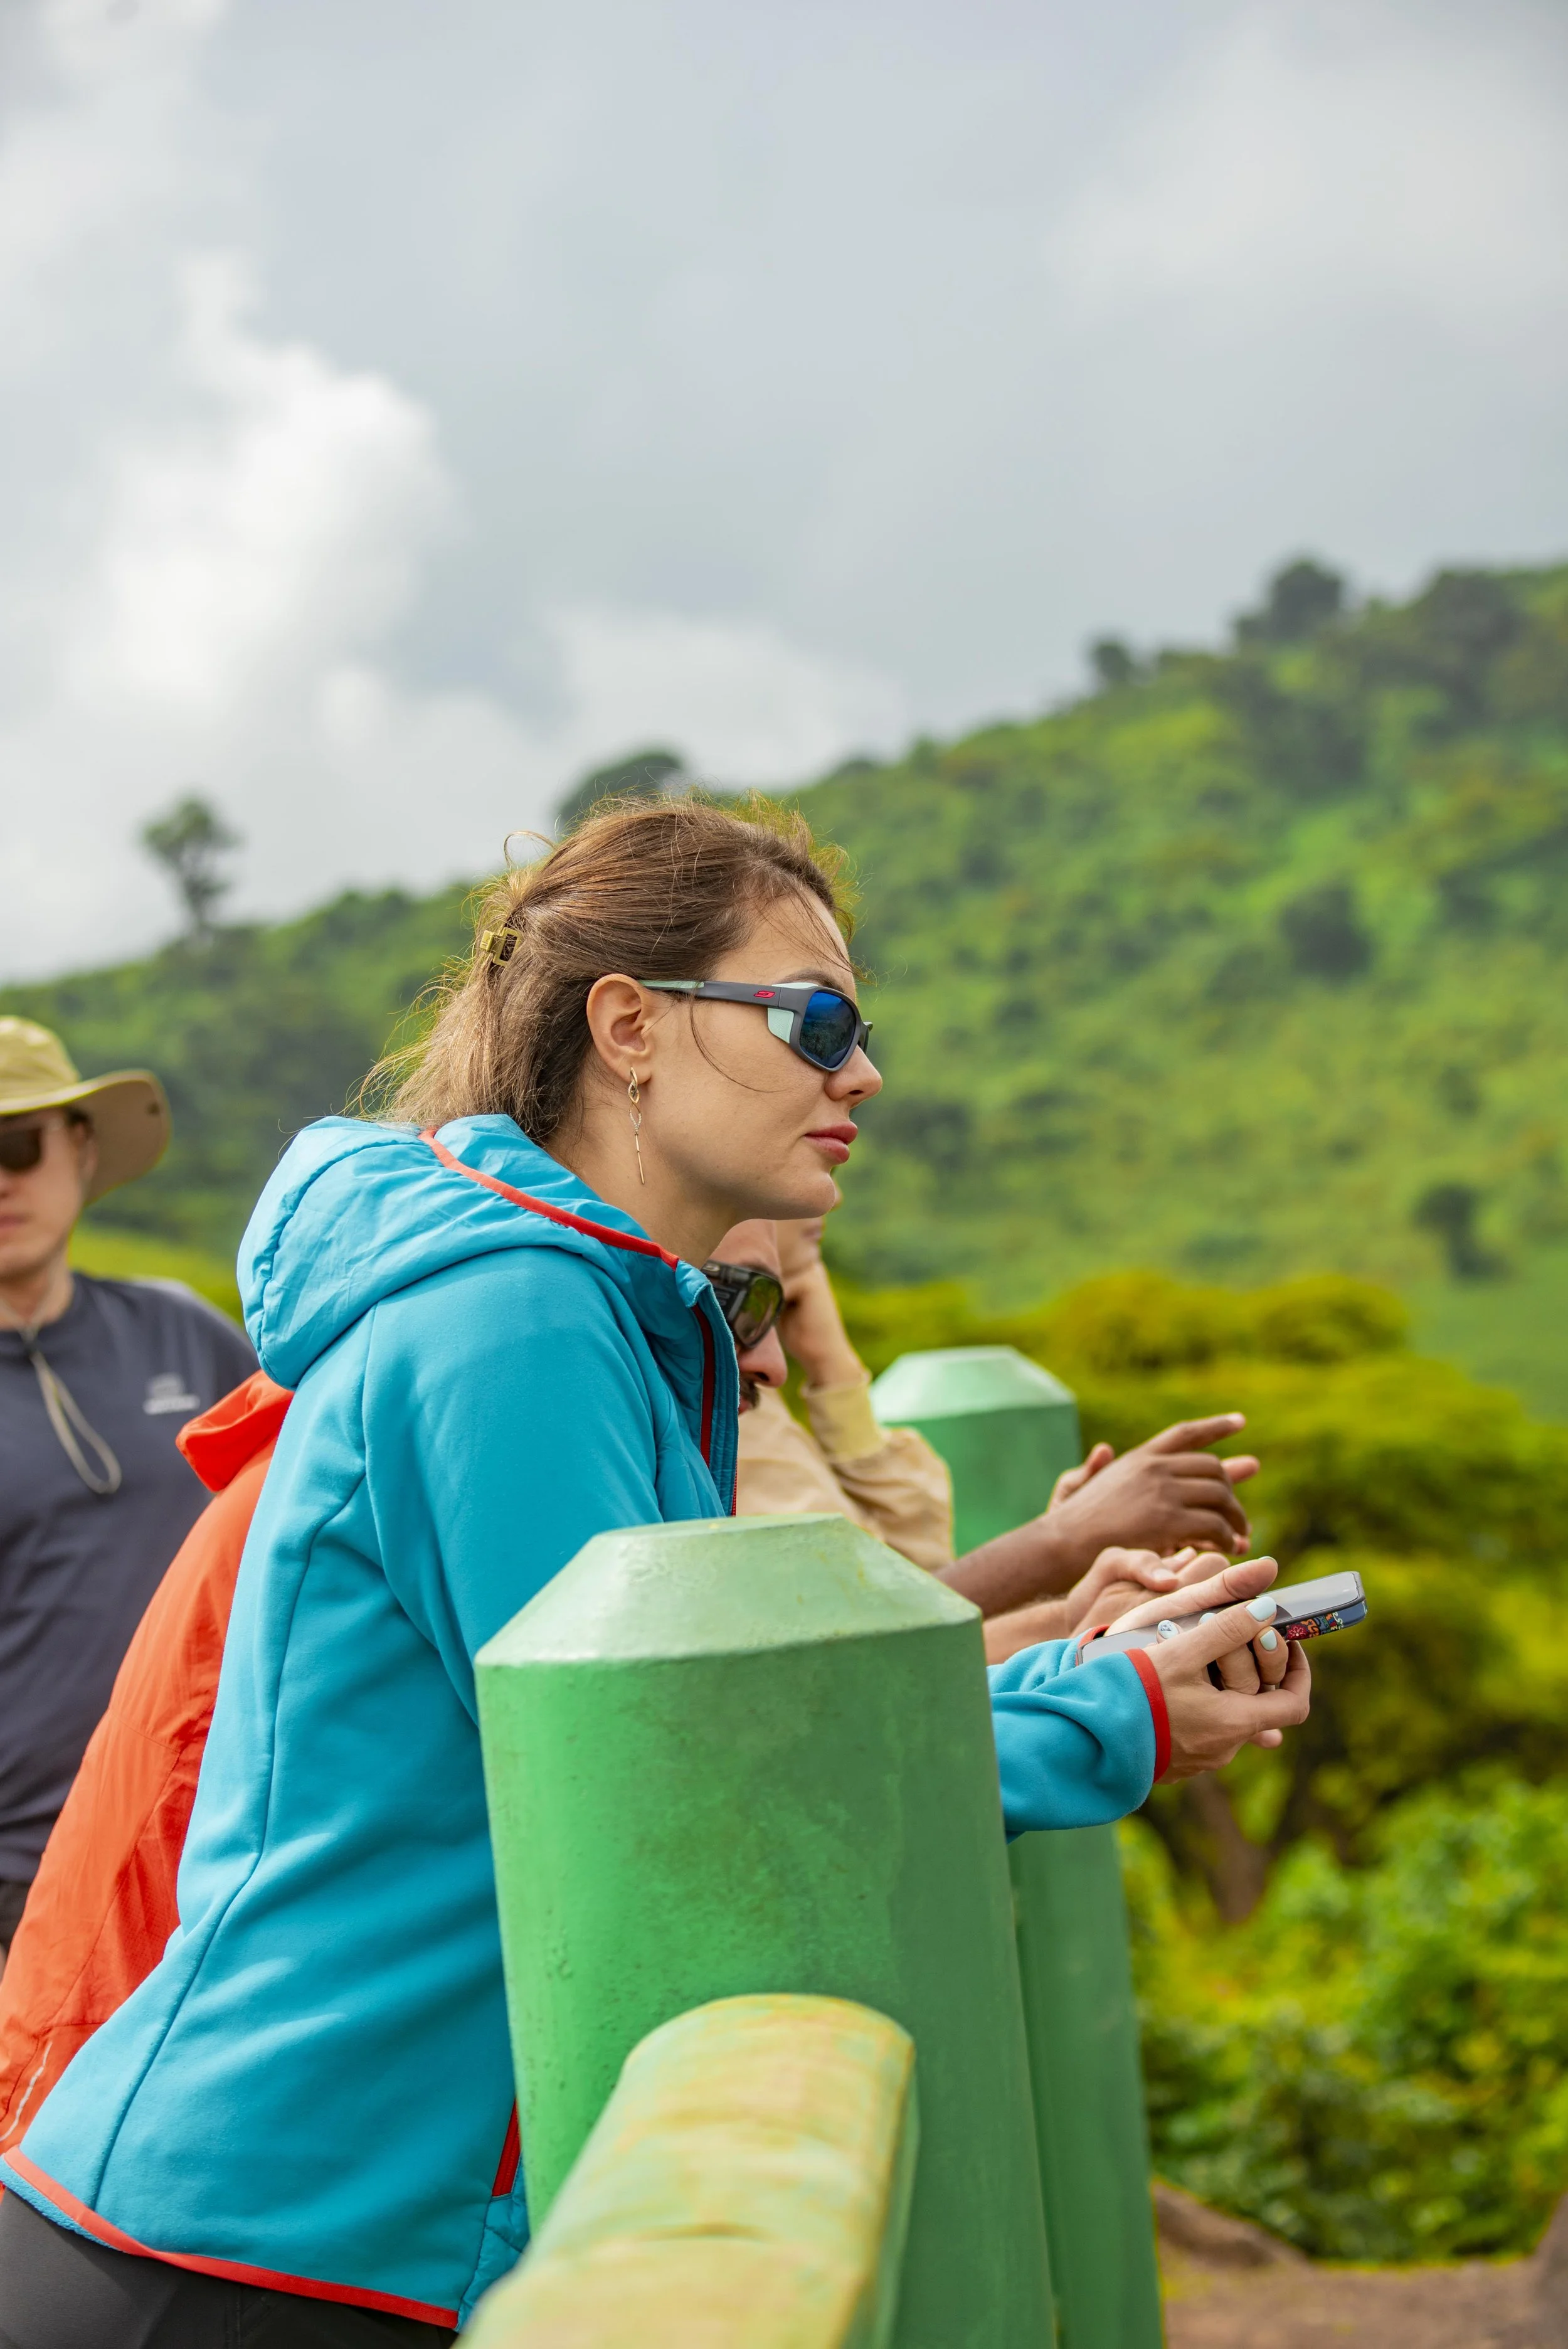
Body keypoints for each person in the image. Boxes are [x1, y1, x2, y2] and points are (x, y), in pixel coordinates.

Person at [0, 800, 1307, 2345]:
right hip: (256, 2249)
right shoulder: (514, 1324)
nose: (863, 1072)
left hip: (320, 2231)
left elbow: (715, 1723)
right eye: (814, 1018)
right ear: (627, 1026)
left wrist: (1078, 1678)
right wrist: (1103, 1720)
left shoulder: (613, 1322)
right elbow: (667, 1793)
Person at [0, 1019, 255, 1972]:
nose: (2, 1179)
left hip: (216, 1857)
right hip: (24, 1890)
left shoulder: (183, 1333)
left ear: (82, 1146)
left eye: (17, 1145)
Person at [718, 1210, 1261, 1635]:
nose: (828, 1200)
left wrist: (833, 1365)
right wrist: (1066, 1538)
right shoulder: (724, 1412)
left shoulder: (756, 1392)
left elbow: (914, 1570)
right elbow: (862, 1633)